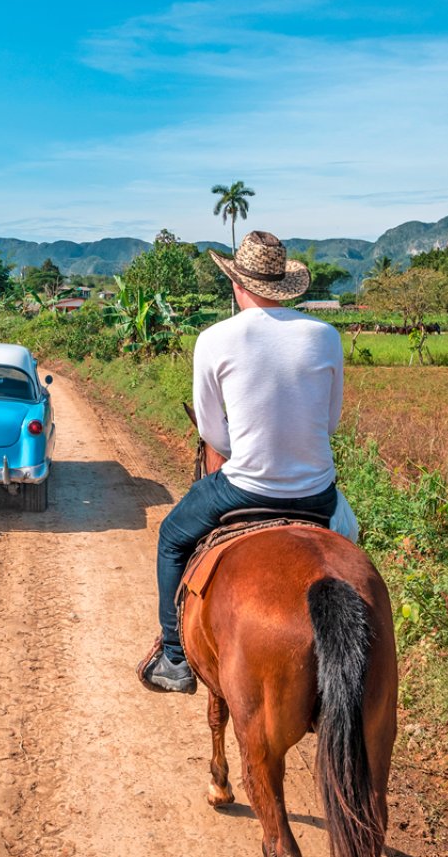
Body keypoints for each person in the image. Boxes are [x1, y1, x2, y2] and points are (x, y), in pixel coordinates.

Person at [139, 230, 359, 694]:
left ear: (237, 285)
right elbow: (331, 421)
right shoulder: (325, 335)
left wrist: (247, 454)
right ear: (285, 287)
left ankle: (175, 657)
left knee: (173, 537)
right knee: (353, 546)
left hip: (243, 487)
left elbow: (210, 433)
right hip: (318, 493)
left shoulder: (214, 338)